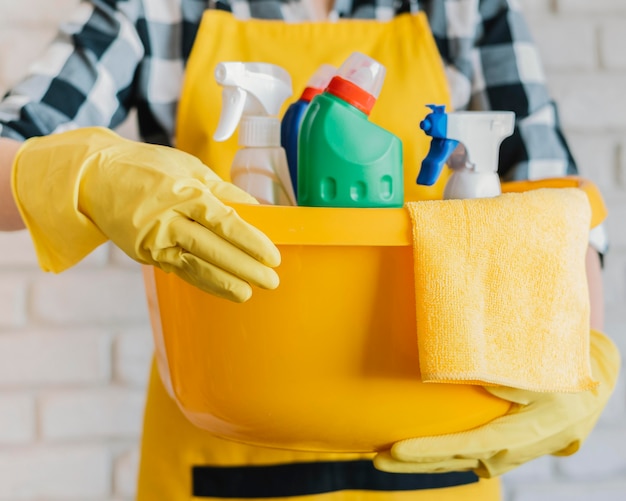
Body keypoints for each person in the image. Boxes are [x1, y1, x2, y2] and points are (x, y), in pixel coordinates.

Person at [0, 0, 617, 500]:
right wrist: (87, 172)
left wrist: (583, 354)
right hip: (219, 458)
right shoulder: (158, 11)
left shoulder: (461, 11)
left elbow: (560, 202)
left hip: (440, 462)